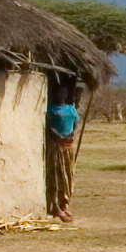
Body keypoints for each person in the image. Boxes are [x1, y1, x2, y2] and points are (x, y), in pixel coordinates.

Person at [44, 87, 84, 222]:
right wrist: (60, 137)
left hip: (68, 147)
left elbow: (76, 124)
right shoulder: (52, 109)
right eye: (59, 92)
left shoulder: (71, 109)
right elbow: (49, 126)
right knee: (56, 176)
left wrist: (72, 134)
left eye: (64, 93)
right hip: (57, 147)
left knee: (67, 176)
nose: (62, 95)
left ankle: (64, 205)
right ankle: (55, 207)